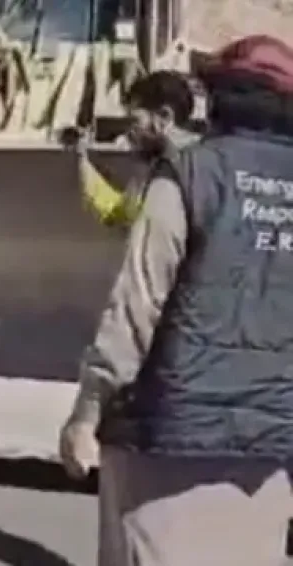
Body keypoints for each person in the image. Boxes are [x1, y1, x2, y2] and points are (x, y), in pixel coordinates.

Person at [59, 35, 293, 565]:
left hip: (168, 432)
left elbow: (136, 306)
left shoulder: (191, 173)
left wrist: (86, 413)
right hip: (272, 439)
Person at [81, 70, 199, 228]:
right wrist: (84, 165)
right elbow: (123, 213)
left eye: (135, 121)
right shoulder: (153, 165)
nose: (129, 132)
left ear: (165, 116)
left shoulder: (195, 168)